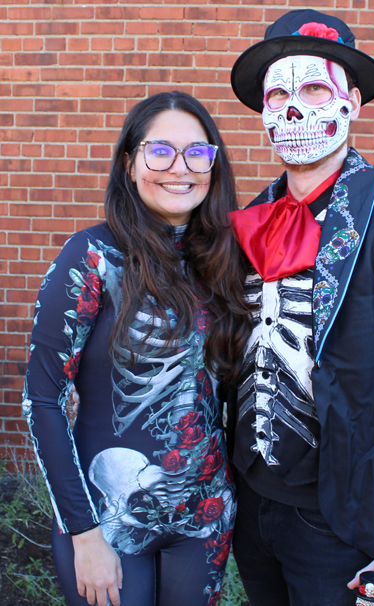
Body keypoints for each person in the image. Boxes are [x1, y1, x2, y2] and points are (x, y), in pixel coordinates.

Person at [228, 10, 374, 606]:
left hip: (343, 521)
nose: (292, 108)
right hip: (252, 508)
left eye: (313, 88)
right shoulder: (251, 219)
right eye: (278, 92)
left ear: (352, 103)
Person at [22, 91, 253, 606]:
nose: (180, 168)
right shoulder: (89, 258)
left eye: (198, 152)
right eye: (160, 151)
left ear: (213, 165)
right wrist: (84, 533)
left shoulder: (225, 262)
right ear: (130, 164)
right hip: (107, 519)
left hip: (204, 519)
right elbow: (42, 399)